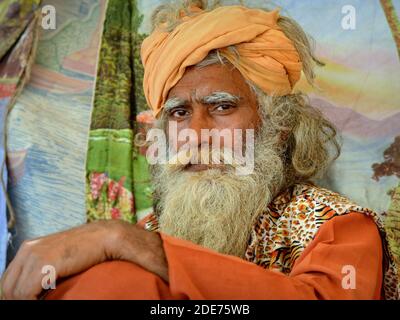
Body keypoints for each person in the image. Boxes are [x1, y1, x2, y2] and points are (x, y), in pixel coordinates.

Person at [1, 1, 398, 300]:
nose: (196, 133)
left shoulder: (339, 227)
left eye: (222, 106)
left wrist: (125, 242)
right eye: (178, 113)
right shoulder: (150, 234)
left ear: (279, 129)